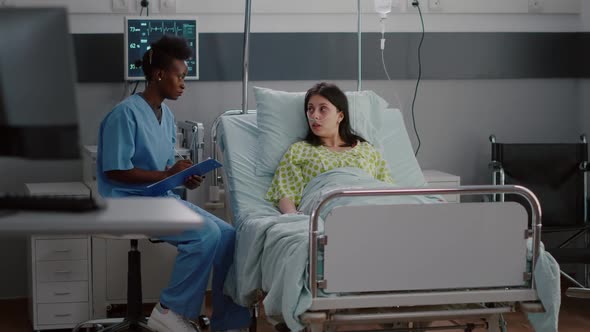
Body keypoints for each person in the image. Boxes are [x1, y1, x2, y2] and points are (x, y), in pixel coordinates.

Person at [96, 35, 250, 332]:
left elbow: (161, 171)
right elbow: (116, 171)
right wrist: (167, 175)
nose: (183, 83)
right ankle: (171, 310)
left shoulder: (166, 115)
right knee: (203, 233)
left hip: (158, 199)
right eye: (180, 76)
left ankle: (228, 324)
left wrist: (183, 178)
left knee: (229, 235)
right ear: (159, 74)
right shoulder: (125, 114)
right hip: (123, 202)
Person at [265, 82, 394, 214]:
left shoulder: (367, 150)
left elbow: (387, 189)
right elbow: (285, 192)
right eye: (310, 109)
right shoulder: (299, 150)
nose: (314, 116)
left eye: (323, 109)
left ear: (340, 116)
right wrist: (294, 216)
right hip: (327, 209)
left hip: (371, 207)